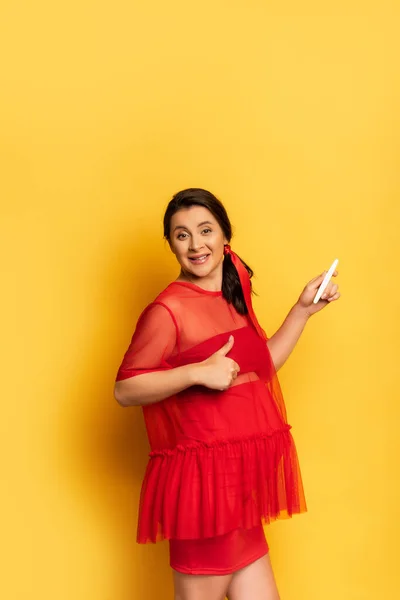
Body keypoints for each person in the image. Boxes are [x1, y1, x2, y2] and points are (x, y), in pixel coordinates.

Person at [114, 188, 341, 600]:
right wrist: (196, 373)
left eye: (205, 230)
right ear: (171, 244)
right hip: (203, 499)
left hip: (241, 496)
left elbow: (261, 365)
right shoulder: (168, 310)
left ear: (224, 236)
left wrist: (303, 309)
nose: (196, 244)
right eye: (182, 235)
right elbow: (125, 389)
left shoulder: (233, 291)